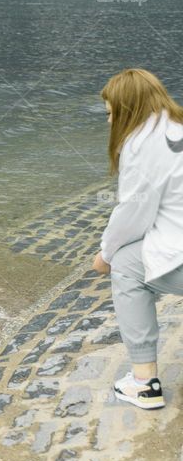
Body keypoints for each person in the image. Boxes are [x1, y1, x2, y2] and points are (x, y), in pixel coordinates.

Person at [93, 69, 183, 409]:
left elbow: (133, 214)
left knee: (127, 265)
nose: (109, 121)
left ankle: (144, 383)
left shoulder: (142, 143)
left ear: (127, 108)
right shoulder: (177, 130)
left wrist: (106, 254)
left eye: (111, 112)